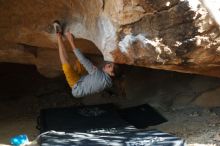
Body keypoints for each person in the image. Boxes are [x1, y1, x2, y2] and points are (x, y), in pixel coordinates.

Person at [54, 21, 115, 98]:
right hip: (83, 78)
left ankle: (58, 35)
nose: (106, 65)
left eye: (109, 66)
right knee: (81, 62)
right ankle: (76, 69)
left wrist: (71, 40)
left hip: (76, 86)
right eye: (109, 64)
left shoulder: (98, 75)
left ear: (112, 74)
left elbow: (83, 59)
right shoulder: (109, 82)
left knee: (67, 67)